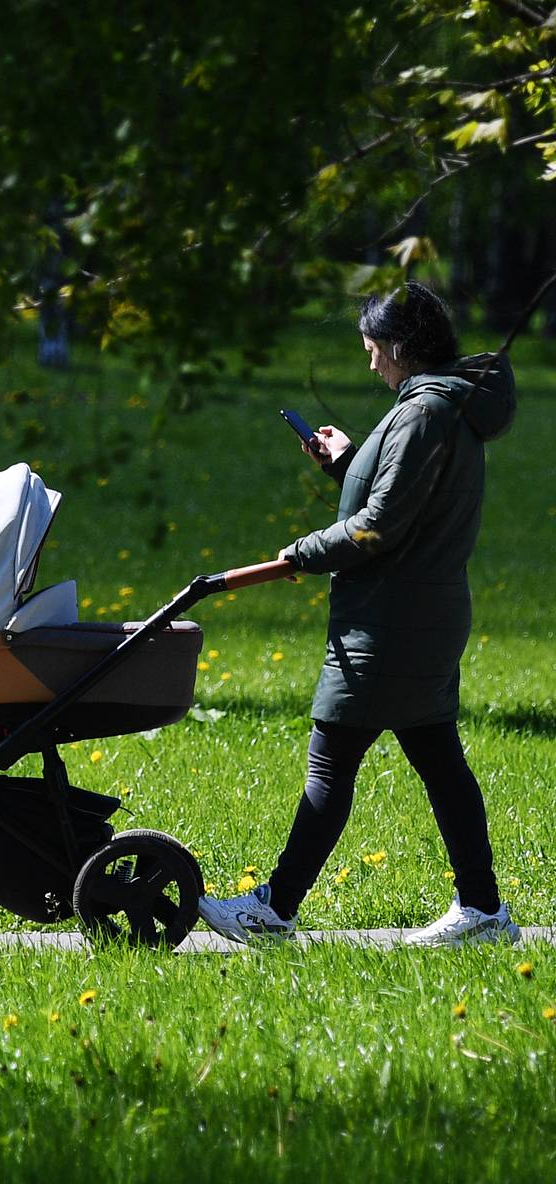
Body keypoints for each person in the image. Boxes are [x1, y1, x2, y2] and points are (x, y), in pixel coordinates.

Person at [199, 282, 520, 946]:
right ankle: (484, 911)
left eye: (374, 350)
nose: (371, 364)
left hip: (392, 620)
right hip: (421, 611)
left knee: (332, 758)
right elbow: (405, 500)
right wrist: (345, 462)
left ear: (400, 347)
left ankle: (274, 911)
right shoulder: (441, 408)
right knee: (437, 755)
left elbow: (378, 527)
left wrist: (301, 552)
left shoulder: (424, 414)